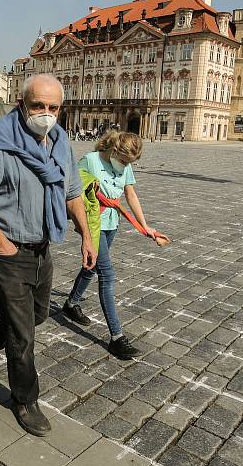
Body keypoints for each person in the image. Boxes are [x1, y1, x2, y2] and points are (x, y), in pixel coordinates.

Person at [0, 74, 96, 437]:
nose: (46, 114)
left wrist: (86, 235)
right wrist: (1, 245)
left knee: (35, 316)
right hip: (7, 246)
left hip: (42, 243)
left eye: (53, 107)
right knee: (22, 334)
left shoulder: (61, 141)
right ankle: (25, 399)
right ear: (22, 104)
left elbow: (71, 192)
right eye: (38, 106)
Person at [61, 131, 169, 360]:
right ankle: (117, 337)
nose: (125, 165)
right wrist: (83, 229)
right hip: (94, 223)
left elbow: (131, 195)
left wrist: (146, 227)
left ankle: (71, 303)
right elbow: (73, 193)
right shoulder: (90, 161)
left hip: (112, 222)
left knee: (92, 267)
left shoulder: (125, 165)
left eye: (129, 163)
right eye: (123, 161)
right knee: (107, 274)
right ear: (113, 150)